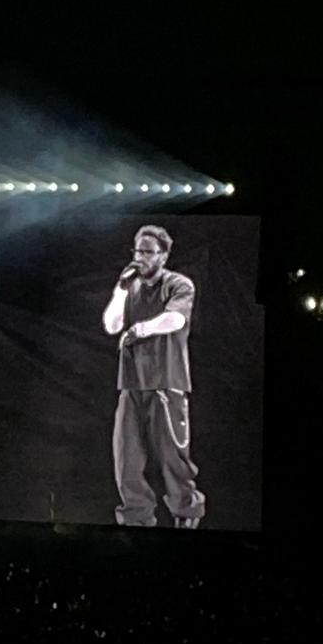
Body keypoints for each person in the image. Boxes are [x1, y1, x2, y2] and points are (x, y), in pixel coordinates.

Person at [102, 225, 206, 528]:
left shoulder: (178, 284)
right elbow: (111, 325)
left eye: (148, 252)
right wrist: (120, 290)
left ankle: (186, 515)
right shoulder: (131, 288)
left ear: (163, 255)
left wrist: (141, 329)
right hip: (131, 384)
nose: (140, 258)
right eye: (138, 251)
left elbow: (175, 319)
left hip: (167, 383)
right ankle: (136, 520)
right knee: (127, 460)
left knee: (173, 458)